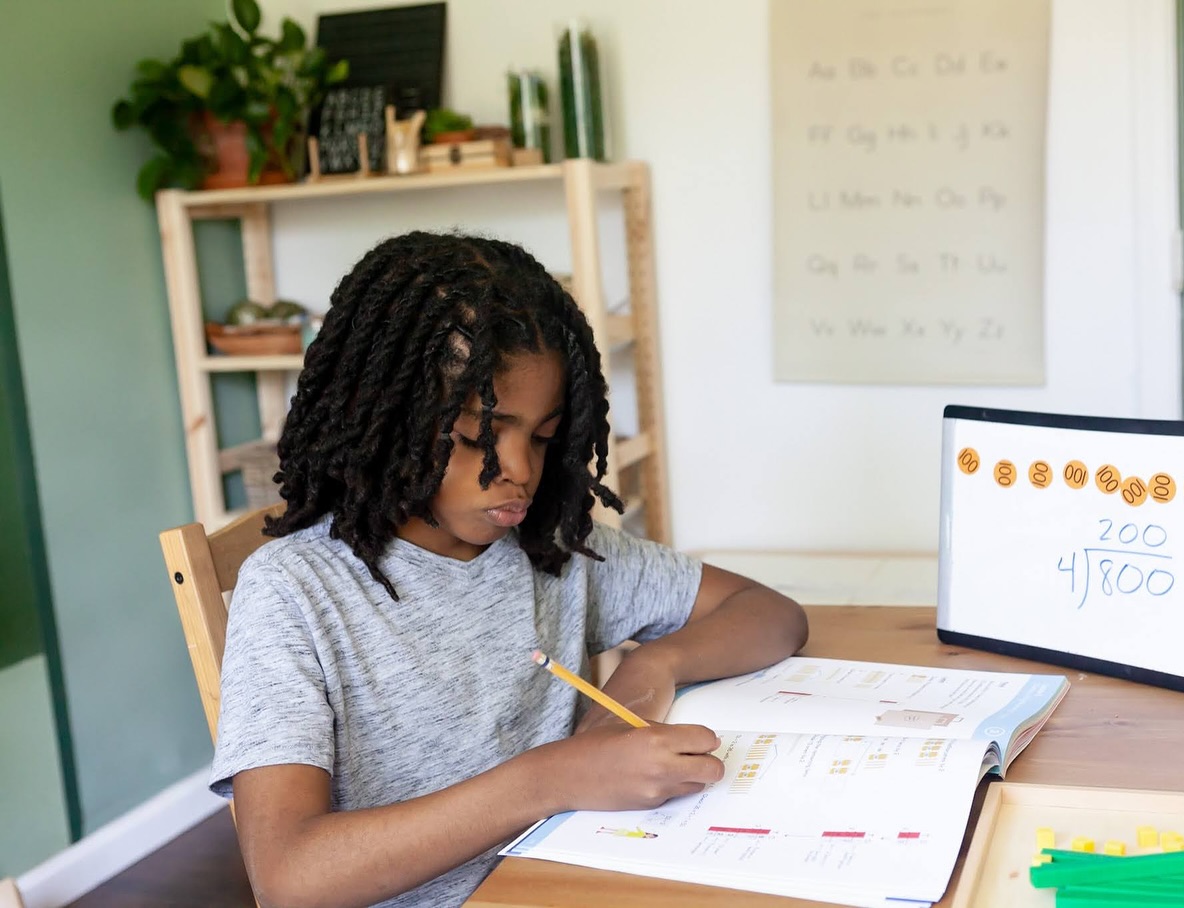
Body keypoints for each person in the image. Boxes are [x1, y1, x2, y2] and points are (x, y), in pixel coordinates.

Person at [210, 231, 809, 908]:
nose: (520, 470)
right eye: (477, 437)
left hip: (573, 881)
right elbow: (290, 877)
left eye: (544, 437)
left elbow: (773, 614)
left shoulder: (551, 552)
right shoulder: (295, 592)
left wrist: (654, 665)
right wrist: (549, 778)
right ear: (387, 418)